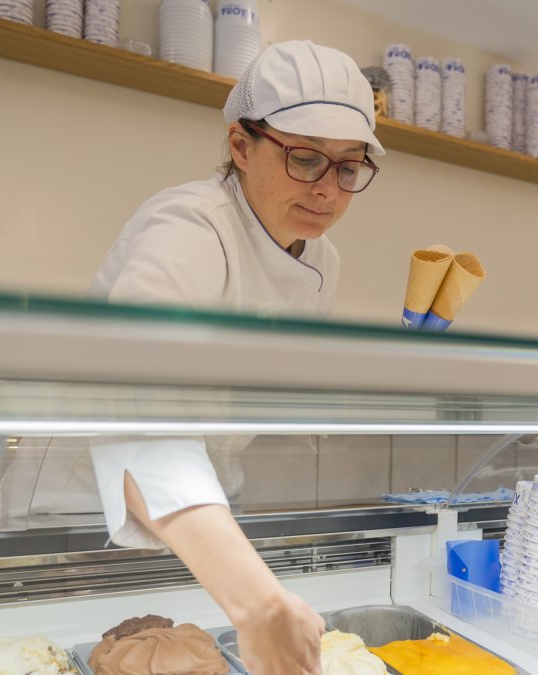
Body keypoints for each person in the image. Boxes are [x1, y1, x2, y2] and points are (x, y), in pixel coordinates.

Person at [85, 40, 384, 675]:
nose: (328, 190)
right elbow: (135, 410)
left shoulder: (321, 258)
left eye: (349, 167)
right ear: (241, 146)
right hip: (77, 516)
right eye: (305, 159)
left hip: (197, 515)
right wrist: (256, 603)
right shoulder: (191, 225)